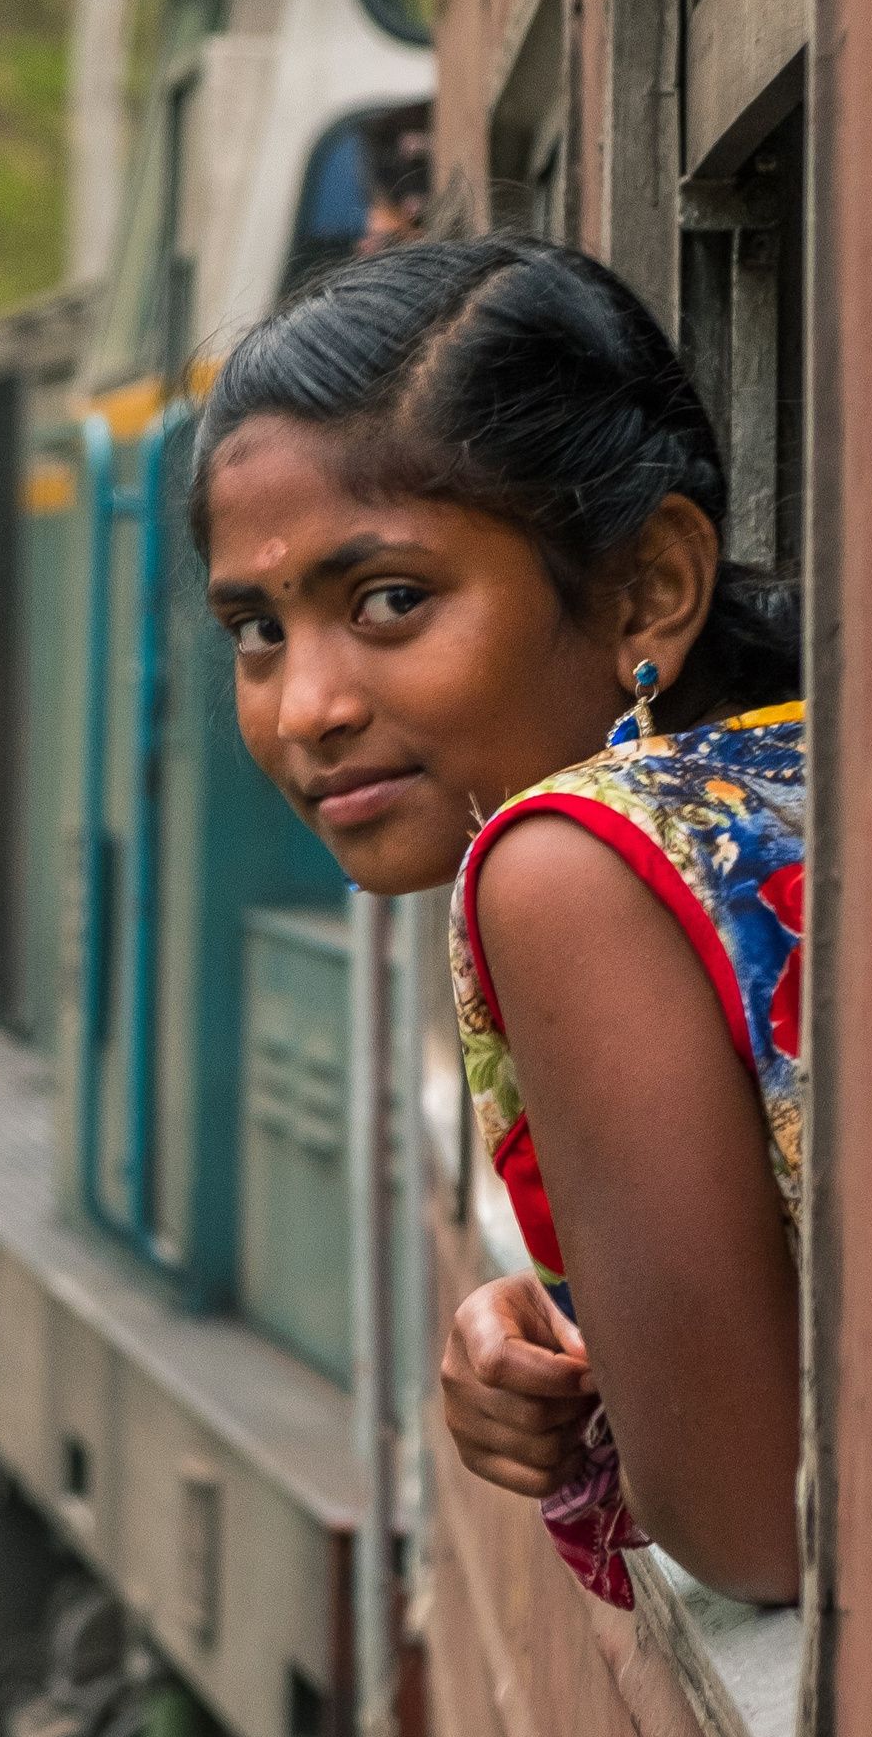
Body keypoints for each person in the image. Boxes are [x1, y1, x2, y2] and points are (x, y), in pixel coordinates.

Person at [188, 236, 805, 1609]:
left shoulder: (561, 869)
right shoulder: (790, 782)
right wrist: (599, 1338)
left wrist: (639, 1423)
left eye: (391, 600)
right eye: (258, 631)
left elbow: (756, 1527)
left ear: (648, 588)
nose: (306, 708)